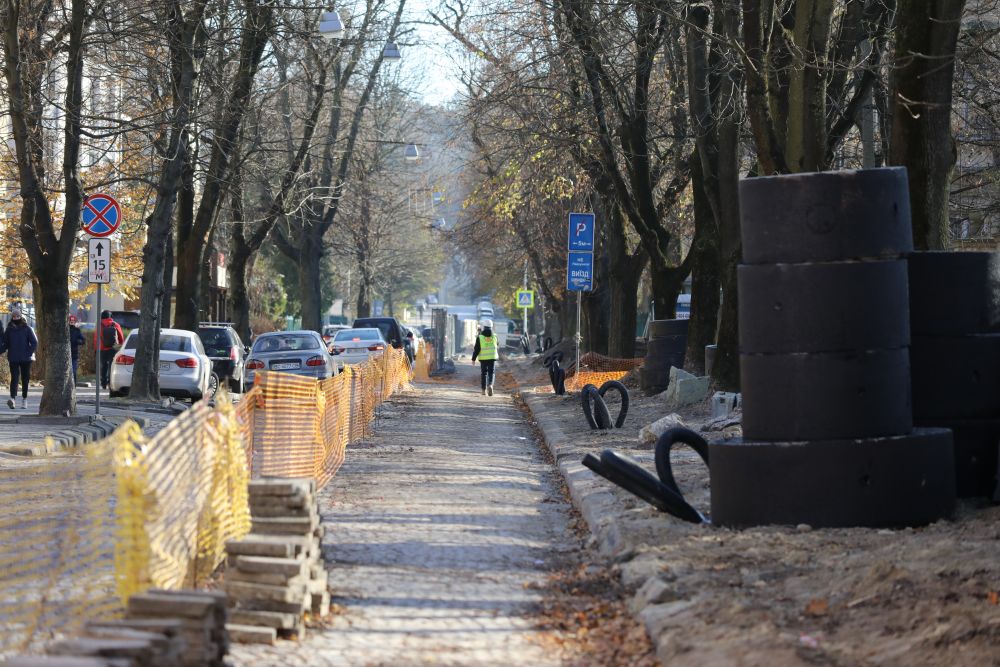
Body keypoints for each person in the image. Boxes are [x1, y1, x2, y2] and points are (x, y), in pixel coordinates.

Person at [3, 307, 38, 409]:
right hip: (13, 357)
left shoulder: (27, 329)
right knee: (14, 378)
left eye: (17, 316)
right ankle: (12, 399)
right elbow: (5, 343)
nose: (16, 318)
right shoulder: (9, 330)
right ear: (12, 317)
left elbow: (34, 342)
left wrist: (29, 353)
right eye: (14, 316)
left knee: (25, 379)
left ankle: (24, 399)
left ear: (21, 317)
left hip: (26, 359)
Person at [94, 310, 123, 390]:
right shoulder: (115, 324)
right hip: (113, 348)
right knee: (112, 366)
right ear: (110, 316)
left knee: (104, 366)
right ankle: (110, 383)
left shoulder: (99, 325)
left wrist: (96, 349)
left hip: (102, 349)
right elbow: (121, 337)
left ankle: (103, 383)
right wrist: (120, 345)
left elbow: (96, 338)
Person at [471, 319, 499, 396]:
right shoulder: (495, 336)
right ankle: (490, 385)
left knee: (484, 373)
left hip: (483, 358)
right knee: (491, 372)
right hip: (492, 357)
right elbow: (497, 345)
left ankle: (483, 390)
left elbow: (476, 349)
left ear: (483, 327)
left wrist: (473, 359)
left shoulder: (480, 337)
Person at [69, 315, 85, 385]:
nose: (72, 322)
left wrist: (77, 341)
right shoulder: (64, 330)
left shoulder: (77, 330)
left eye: (73, 321)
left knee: (73, 371)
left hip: (74, 354)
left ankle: (73, 385)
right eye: (70, 321)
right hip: (64, 355)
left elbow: (83, 340)